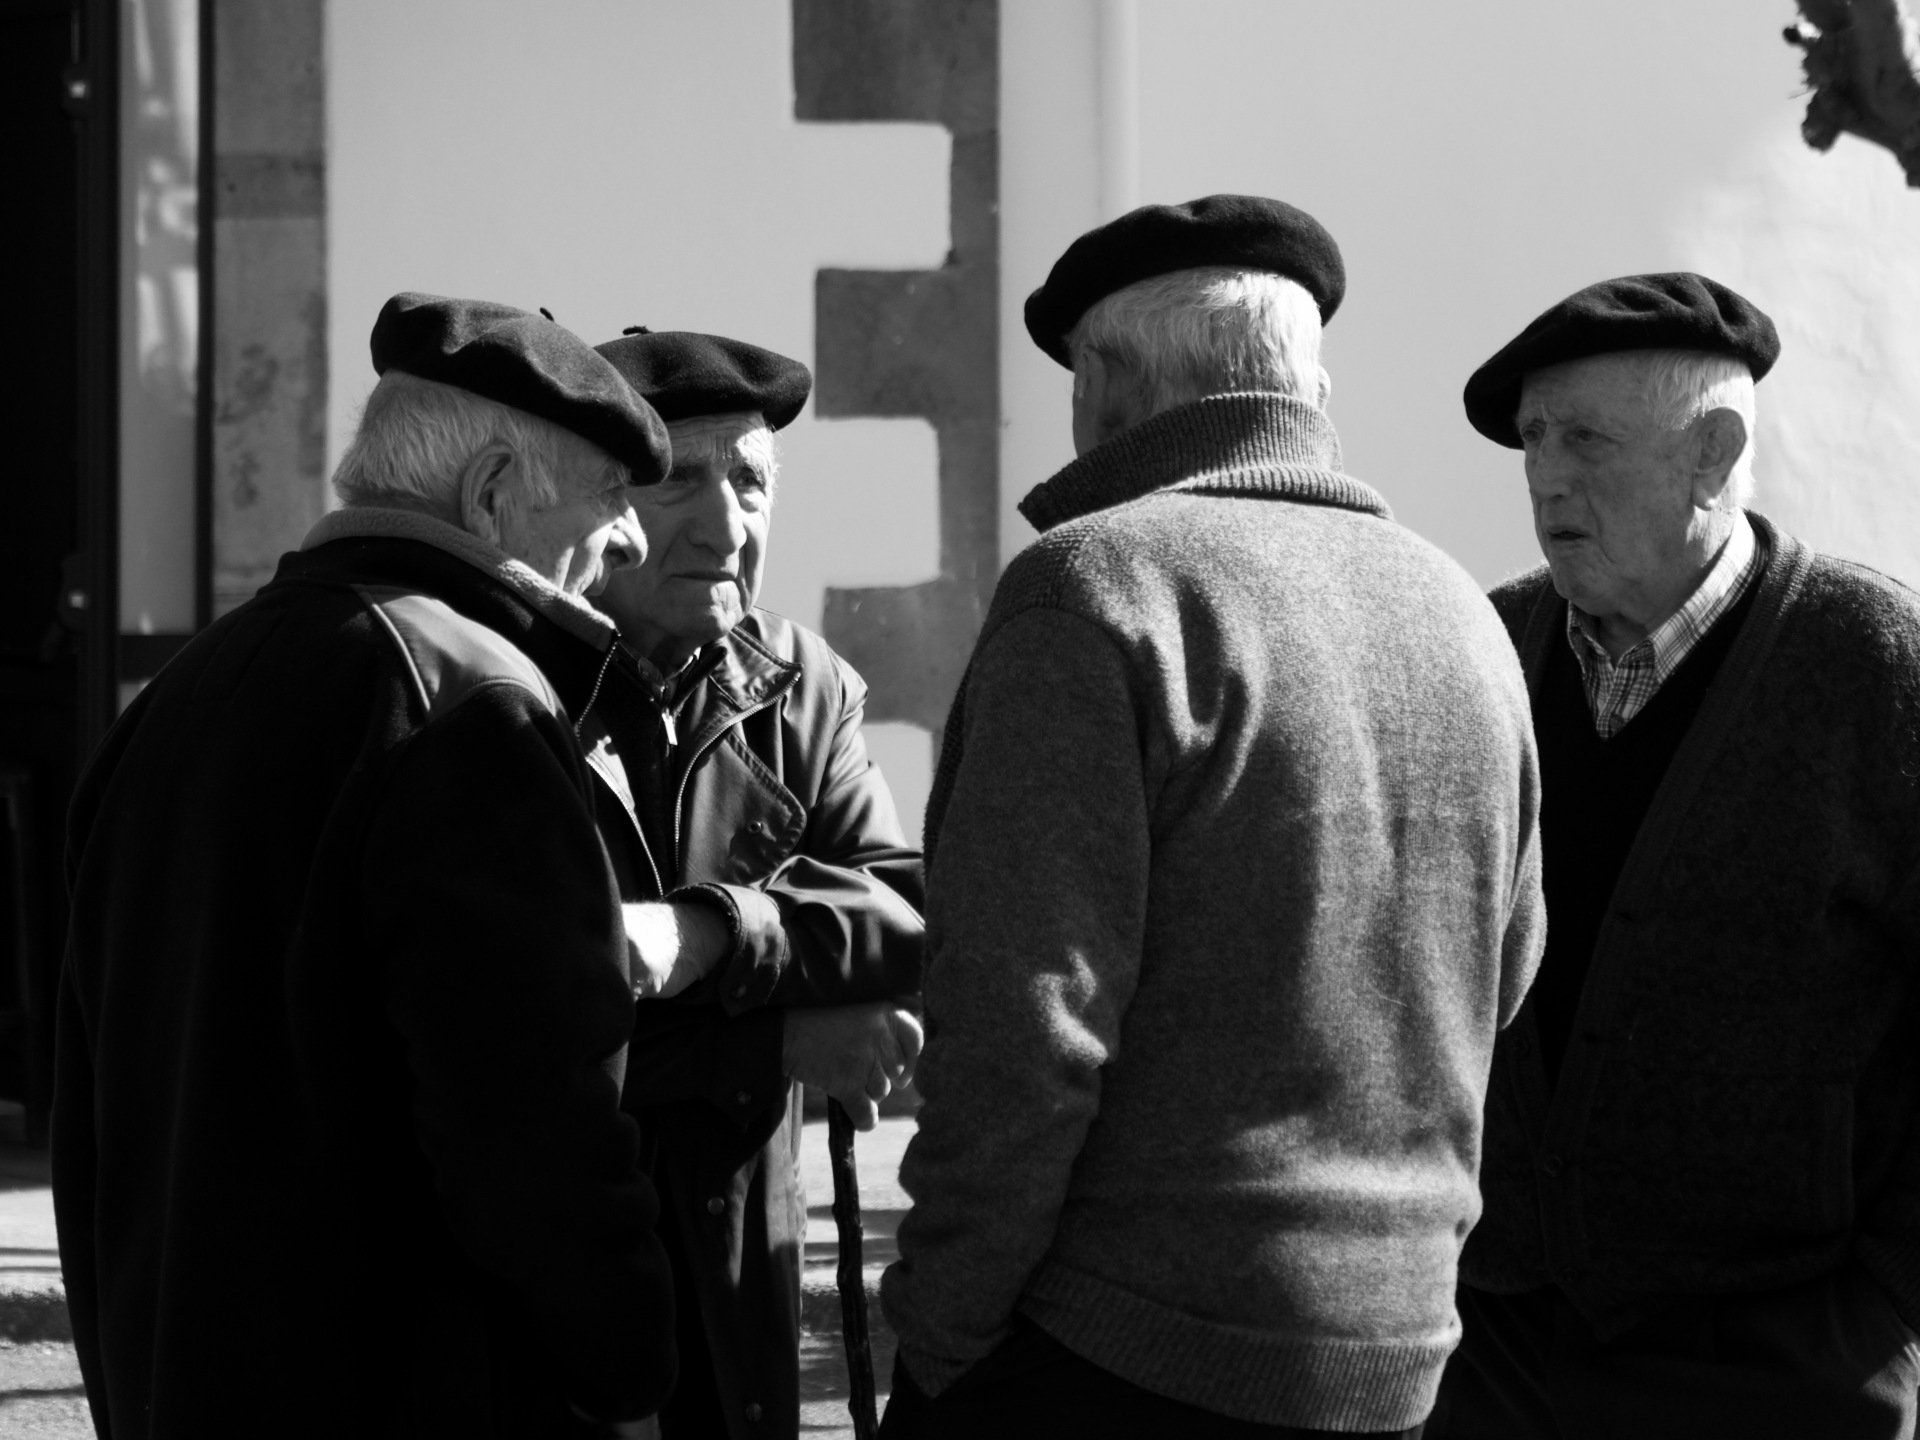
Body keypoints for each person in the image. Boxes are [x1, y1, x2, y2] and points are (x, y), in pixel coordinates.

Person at [877, 194, 1546, 1439]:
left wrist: (939, 1328)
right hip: (1399, 1358)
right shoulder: (1464, 612)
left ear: (1108, 383)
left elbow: (1020, 1027)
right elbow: (1501, 978)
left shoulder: (1094, 586)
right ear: (1305, 384)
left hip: (1117, 1348)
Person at [54, 294, 680, 1439]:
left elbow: (100, 1120)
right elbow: (532, 1122)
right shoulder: (474, 703)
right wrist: (627, 1366)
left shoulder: (182, 692)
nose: (631, 539)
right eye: (609, 494)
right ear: (493, 490)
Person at [1430, 272, 1920, 1438]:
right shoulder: (1486, 647)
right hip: (1496, 1353)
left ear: (1714, 454)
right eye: (1533, 439)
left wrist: (1882, 1307)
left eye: (1586, 440)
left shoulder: (1873, 665)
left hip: (1777, 1360)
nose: (1547, 476)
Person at [582, 326, 926, 1439]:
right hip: (562, 1283)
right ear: (603, 501)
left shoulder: (802, 682)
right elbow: (521, 1021)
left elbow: (900, 908)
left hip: (742, 1286)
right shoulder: (516, 690)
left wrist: (719, 935)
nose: (727, 525)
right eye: (681, 480)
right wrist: (777, 1041)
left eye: (751, 482)